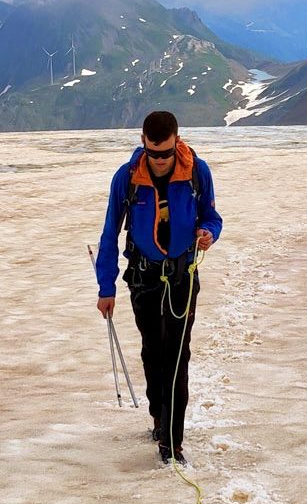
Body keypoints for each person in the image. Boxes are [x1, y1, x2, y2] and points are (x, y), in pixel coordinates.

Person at [95, 110, 222, 463]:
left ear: (177, 142)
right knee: (154, 352)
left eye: (166, 153)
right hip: (144, 278)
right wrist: (106, 288)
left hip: (183, 277)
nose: (161, 161)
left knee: (177, 357)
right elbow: (110, 233)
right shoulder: (127, 178)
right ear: (143, 144)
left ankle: (171, 442)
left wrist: (209, 233)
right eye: (154, 154)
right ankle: (158, 417)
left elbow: (212, 216)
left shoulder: (197, 171)